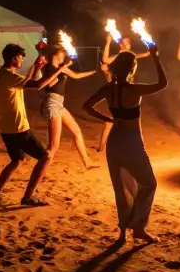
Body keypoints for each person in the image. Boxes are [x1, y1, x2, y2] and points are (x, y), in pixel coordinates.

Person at [83, 46, 168, 245]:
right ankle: (138, 227)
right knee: (149, 183)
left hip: (115, 141)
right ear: (131, 69)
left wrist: (107, 118)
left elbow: (86, 106)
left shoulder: (108, 89)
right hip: (131, 141)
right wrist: (155, 58)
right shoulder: (134, 89)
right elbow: (163, 83)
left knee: (120, 187)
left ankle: (123, 231)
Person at [0, 44, 71, 207]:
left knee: (17, 160)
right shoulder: (10, 78)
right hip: (19, 128)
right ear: (13, 59)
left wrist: (35, 66)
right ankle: (28, 197)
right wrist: (61, 69)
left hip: (6, 128)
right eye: (20, 57)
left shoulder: (0, 75)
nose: (22, 59)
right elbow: (38, 85)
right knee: (46, 156)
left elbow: (25, 81)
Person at [38, 45, 100, 170]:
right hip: (52, 103)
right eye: (62, 54)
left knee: (76, 131)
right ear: (56, 55)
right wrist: (61, 69)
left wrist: (93, 72)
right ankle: (41, 169)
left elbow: (76, 75)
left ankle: (86, 161)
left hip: (59, 104)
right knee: (54, 146)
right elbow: (50, 83)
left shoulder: (61, 68)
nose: (64, 57)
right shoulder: (49, 68)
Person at [97, 34, 151, 153]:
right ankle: (102, 147)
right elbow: (105, 60)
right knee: (112, 118)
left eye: (129, 42)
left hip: (130, 89)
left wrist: (146, 38)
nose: (127, 44)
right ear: (120, 44)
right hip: (119, 90)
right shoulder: (119, 56)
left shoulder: (132, 55)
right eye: (124, 42)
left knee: (134, 118)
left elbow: (148, 53)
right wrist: (108, 43)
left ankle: (140, 146)